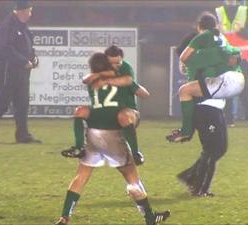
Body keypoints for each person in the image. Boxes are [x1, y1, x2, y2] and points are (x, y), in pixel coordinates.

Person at [54, 52, 170, 225]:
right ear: (109, 65)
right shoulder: (121, 78)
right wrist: (135, 150)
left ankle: (65, 217)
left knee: (80, 178)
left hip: (93, 134)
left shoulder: (93, 81)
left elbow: (87, 79)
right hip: (113, 135)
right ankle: (149, 217)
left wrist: (101, 75)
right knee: (133, 181)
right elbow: (132, 84)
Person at [60, 45, 148, 166]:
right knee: (80, 111)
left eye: (118, 62)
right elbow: (85, 79)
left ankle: (135, 152)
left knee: (124, 115)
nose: (116, 65)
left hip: (126, 113)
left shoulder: (124, 71)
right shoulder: (97, 75)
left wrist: (108, 81)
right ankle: (79, 148)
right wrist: (102, 75)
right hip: (105, 116)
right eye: (112, 63)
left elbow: (134, 85)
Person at [166, 12, 244, 143]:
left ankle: (186, 131)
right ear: (216, 25)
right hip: (237, 80)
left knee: (184, 91)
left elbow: (184, 57)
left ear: (199, 27)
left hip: (225, 81)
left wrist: (185, 64)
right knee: (199, 101)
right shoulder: (221, 38)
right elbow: (232, 56)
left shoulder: (203, 36)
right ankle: (196, 130)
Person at [174, 25, 228, 197]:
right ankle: (199, 187)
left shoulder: (202, 57)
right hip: (206, 107)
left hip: (214, 106)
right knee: (214, 149)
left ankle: (191, 177)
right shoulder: (201, 59)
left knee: (218, 148)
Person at [0, 0, 41, 143]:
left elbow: (29, 48)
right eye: (29, 11)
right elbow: (5, 48)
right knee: (0, 105)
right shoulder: (7, 26)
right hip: (7, 74)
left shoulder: (23, 27)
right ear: (21, 11)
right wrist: (23, 61)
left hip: (22, 74)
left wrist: (34, 58)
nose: (30, 15)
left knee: (22, 104)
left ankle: (23, 135)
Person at [215, 0, 248, 127]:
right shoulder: (218, 12)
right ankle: (229, 120)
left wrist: (241, 31)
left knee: (244, 89)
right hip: (225, 59)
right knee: (226, 89)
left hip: (242, 58)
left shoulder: (244, 11)